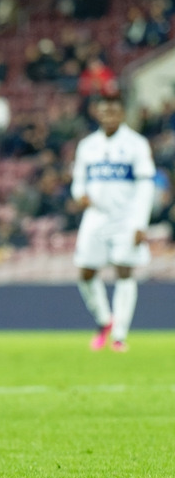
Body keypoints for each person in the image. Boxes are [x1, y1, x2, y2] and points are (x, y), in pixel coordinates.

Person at [71, 95, 155, 352]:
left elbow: (146, 185)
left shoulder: (136, 144)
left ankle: (119, 334)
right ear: (99, 114)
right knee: (85, 273)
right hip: (95, 217)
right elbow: (78, 179)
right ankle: (105, 320)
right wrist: (79, 194)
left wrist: (141, 223)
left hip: (126, 218)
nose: (109, 118)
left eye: (114, 113)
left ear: (122, 115)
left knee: (124, 271)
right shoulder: (87, 145)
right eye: (105, 113)